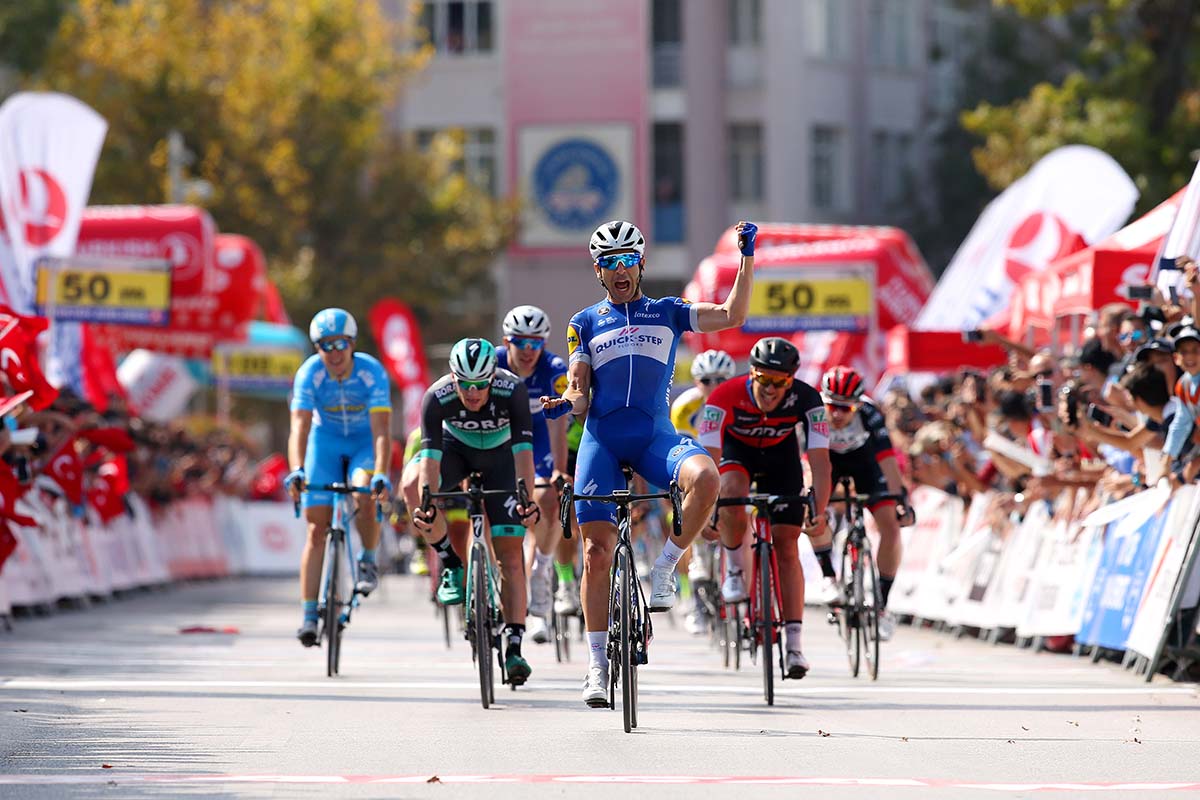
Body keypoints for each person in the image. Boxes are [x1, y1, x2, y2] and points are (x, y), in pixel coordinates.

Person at [542, 218, 758, 707]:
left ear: (641, 264)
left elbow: (733, 314)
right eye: (609, 262)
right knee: (596, 554)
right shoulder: (584, 322)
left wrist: (746, 258)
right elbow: (579, 389)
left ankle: (666, 566)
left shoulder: (667, 312)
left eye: (627, 260)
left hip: (654, 438)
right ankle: (597, 666)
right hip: (601, 441)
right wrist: (566, 403)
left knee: (707, 478)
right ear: (598, 271)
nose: (619, 270)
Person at [410, 338, 541, 685]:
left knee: (510, 557)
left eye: (480, 384)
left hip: (501, 459)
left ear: (492, 377)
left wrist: (527, 499)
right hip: (455, 452)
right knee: (411, 486)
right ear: (453, 378)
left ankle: (514, 646)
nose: (472, 392)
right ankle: (451, 563)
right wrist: (426, 502)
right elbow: (430, 460)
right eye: (464, 384)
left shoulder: (512, 389)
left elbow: (524, 454)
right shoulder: (436, 396)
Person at [698, 337, 831, 677]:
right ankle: (735, 570)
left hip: (781, 460)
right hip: (736, 454)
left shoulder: (809, 398)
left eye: (780, 382)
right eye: (764, 379)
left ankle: (794, 645)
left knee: (787, 546)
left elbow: (820, 461)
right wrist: (709, 510)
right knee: (730, 491)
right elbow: (708, 462)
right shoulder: (723, 395)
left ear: (792, 379)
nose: (771, 389)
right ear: (752, 374)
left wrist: (818, 509)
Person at [286, 309, 392, 647]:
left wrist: (381, 472)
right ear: (317, 348)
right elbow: (299, 427)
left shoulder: (371, 372)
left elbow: (382, 431)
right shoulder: (310, 374)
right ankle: (308, 616)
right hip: (325, 444)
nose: (333, 353)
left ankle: (368, 559)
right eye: (325, 345)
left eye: (340, 344)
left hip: (363, 443)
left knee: (363, 491)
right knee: (315, 529)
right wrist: (297, 468)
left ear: (352, 343)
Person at [819, 365, 913, 642]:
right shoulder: (812, 414)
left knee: (891, 526)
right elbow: (808, 464)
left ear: (858, 405)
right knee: (813, 511)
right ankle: (828, 576)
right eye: (832, 406)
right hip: (826, 462)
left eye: (846, 408)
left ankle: (881, 605)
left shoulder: (870, 414)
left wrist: (900, 499)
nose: (837, 414)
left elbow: (887, 460)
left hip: (865, 464)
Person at [496, 304, 570, 645]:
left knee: (549, 498)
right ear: (506, 342)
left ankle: (542, 568)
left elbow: (557, 427)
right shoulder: (493, 364)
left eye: (535, 343)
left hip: (540, 438)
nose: (528, 350)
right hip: (501, 437)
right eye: (521, 342)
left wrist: (559, 470)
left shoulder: (554, 370)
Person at [670, 349, 736, 635]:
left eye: (721, 380)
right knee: (693, 522)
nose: (714, 386)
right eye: (707, 380)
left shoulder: (739, 402)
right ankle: (697, 599)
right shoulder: (685, 406)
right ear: (697, 382)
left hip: (730, 462)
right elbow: (681, 451)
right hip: (698, 463)